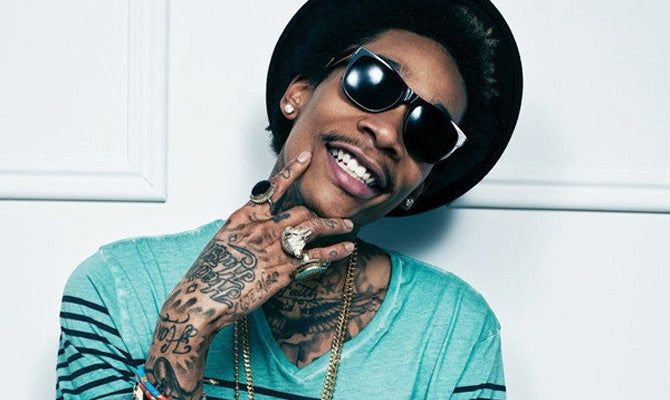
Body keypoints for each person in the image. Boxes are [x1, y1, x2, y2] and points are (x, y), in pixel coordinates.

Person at [55, 0, 522, 399]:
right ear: (298, 94)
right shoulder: (117, 289)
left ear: (417, 186)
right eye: (373, 82)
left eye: (430, 130)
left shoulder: (455, 331)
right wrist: (187, 330)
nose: (386, 133)